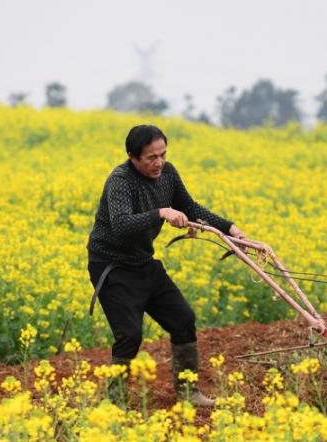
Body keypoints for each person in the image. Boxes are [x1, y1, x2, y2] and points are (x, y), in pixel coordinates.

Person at [87, 124, 245, 407]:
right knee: (130, 335)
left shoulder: (168, 174)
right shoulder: (120, 180)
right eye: (151, 158)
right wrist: (161, 212)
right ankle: (115, 404)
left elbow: (190, 207)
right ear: (133, 157)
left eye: (162, 154)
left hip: (143, 263)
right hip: (111, 266)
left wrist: (231, 229)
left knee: (183, 319)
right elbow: (121, 224)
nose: (159, 162)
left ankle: (189, 393)